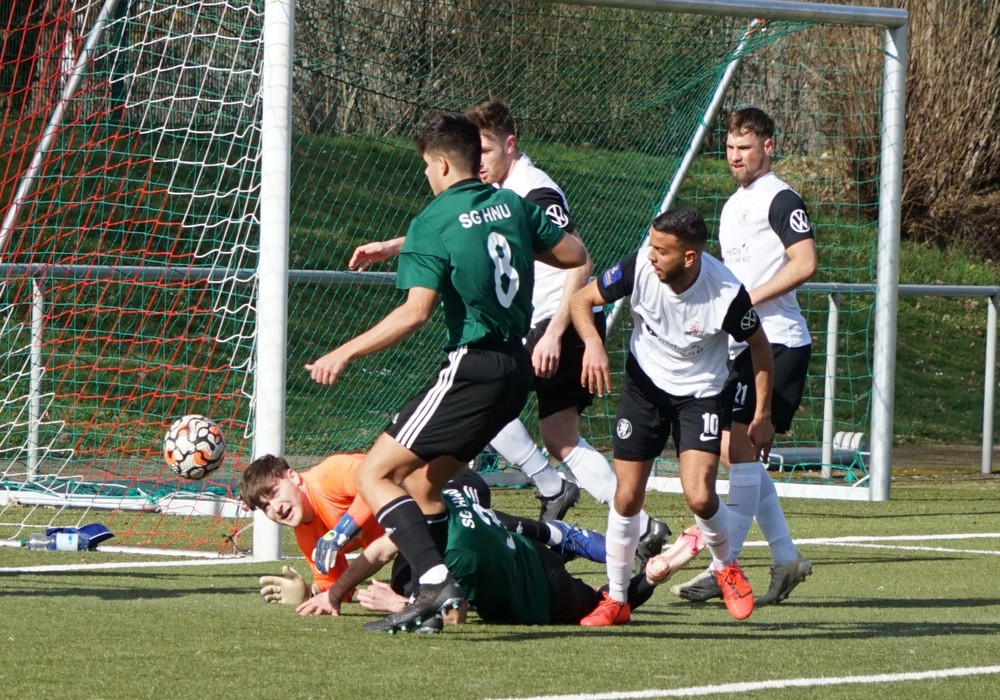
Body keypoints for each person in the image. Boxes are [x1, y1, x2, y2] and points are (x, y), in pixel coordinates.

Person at [350, 99, 670, 562]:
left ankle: (563, 493)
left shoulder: (535, 191)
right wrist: (396, 245)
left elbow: (580, 259)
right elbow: (468, 231)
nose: (478, 161)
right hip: (531, 326)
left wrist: (556, 331)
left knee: (498, 410)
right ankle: (628, 520)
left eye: (485, 149)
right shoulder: (498, 195)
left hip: (555, 321)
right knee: (549, 433)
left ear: (510, 145)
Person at [306, 112, 588, 633]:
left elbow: (414, 313)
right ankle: (428, 602)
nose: (425, 175)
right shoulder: (512, 205)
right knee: (424, 484)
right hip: (516, 367)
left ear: (439, 164)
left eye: (424, 166)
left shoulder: (433, 220)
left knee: (374, 474)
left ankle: (436, 582)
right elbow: (575, 254)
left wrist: (343, 352)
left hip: (473, 364)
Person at [568, 206, 774, 625]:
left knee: (699, 495)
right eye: (652, 246)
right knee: (627, 496)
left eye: (662, 251)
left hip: (700, 394)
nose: (652, 256)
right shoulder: (638, 267)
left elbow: (761, 347)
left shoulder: (725, 293)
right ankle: (617, 600)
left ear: (690, 257)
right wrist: (593, 344)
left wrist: (763, 415)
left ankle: (726, 567)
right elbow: (581, 300)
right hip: (643, 387)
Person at [671, 107, 814, 607]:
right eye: (730, 147)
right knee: (737, 453)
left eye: (745, 148)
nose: (735, 156)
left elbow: (805, 262)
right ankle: (785, 556)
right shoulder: (733, 205)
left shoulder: (781, 198)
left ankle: (722, 565)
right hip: (745, 344)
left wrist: (748, 301)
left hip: (778, 342)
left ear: (768, 147)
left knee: (740, 448)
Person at [241, 454, 606, 612]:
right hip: (411, 539)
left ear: (293, 476)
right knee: (412, 590)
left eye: (273, 493)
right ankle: (549, 561)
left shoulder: (330, 474)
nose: (276, 508)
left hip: (442, 486)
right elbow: (342, 588)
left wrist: (342, 530)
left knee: (471, 525)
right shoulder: (306, 532)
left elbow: (376, 484)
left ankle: (558, 535)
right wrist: (312, 591)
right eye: (265, 507)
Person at [307, 483, 658, 630]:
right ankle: (561, 537)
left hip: (542, 595)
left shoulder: (457, 554)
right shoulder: (440, 501)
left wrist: (397, 604)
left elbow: (454, 615)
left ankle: (655, 573)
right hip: (524, 551)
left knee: (606, 605)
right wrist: (334, 593)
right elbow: (379, 551)